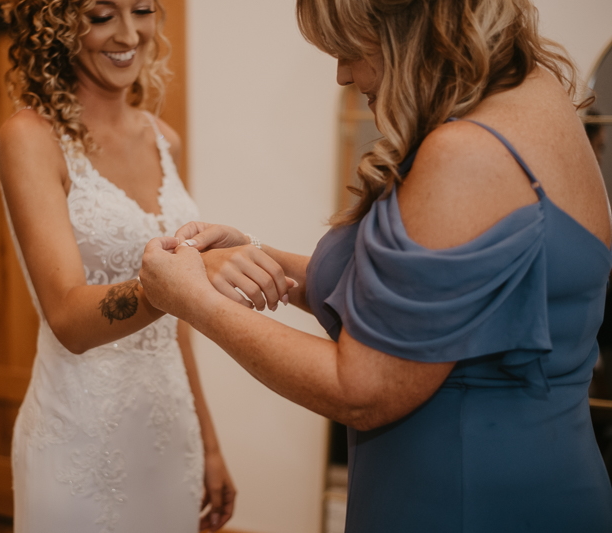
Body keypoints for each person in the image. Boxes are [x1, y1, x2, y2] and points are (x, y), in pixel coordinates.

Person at [139, 0, 612, 531]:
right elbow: (426, 299)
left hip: (463, 498)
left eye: (349, 47)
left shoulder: (463, 153)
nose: (342, 73)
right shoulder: (532, 91)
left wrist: (191, 302)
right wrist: (260, 253)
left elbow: (361, 390)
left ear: (410, 26)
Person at [0, 1, 234, 532]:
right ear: (56, 25)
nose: (130, 33)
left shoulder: (164, 139)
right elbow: (67, 319)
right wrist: (173, 287)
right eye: (102, 15)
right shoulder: (30, 139)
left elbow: (179, 329)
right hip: (79, 437)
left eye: (142, 10)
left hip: (169, 432)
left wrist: (210, 443)